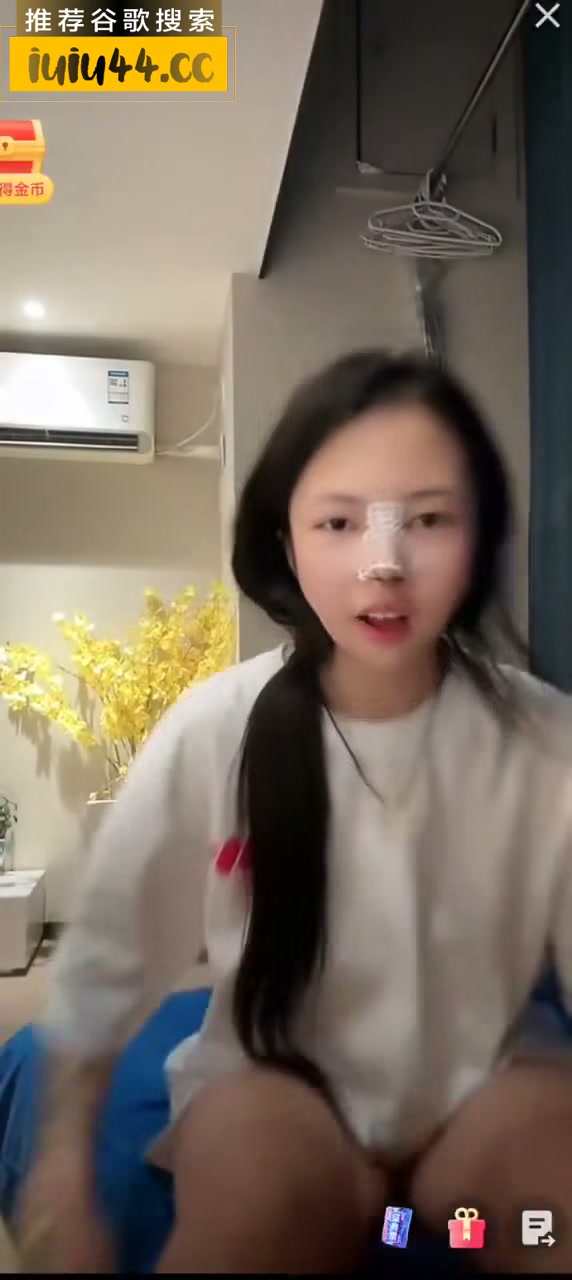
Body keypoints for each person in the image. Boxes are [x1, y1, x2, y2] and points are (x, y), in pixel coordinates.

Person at [18, 350, 572, 1274]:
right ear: (285, 540)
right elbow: (109, 952)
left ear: (480, 537)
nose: (385, 564)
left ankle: (417, 1221)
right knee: (255, 1211)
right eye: (339, 522)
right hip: (275, 1092)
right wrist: (62, 1173)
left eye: (429, 519)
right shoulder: (217, 726)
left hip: (482, 1104)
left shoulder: (543, 737)